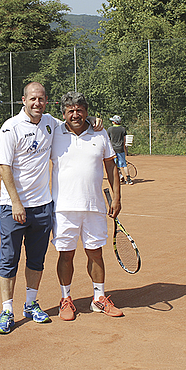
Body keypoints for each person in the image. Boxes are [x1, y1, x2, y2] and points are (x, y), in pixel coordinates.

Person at [0, 82, 103, 334]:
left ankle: (31, 304)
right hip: (14, 207)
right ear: (23, 100)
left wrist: (95, 121)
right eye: (33, 99)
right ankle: (7, 310)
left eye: (41, 99)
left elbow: (76, 121)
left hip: (43, 207)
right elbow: (3, 167)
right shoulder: (10, 127)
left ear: (46, 102)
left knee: (36, 260)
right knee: (9, 259)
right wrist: (16, 202)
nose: (37, 103)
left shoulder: (51, 123)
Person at [51, 92, 123, 321]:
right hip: (63, 208)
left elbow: (111, 167)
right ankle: (66, 299)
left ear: (86, 111)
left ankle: (98, 299)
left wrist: (117, 197)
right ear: (63, 114)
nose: (75, 114)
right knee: (66, 255)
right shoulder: (54, 133)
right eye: (70, 110)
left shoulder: (100, 133)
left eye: (80, 110)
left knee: (96, 254)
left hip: (94, 207)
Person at [107, 115, 133, 185]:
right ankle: (128, 179)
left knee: (114, 165)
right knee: (124, 165)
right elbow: (124, 140)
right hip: (120, 149)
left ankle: (118, 178)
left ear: (114, 122)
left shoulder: (110, 129)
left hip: (113, 150)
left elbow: (108, 140)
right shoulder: (123, 129)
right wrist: (125, 150)